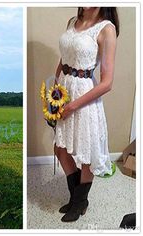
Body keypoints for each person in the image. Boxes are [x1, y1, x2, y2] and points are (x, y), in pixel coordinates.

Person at [53, 7, 119, 222]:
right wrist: (55, 92)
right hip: (64, 90)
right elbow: (63, 60)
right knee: (60, 148)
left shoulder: (106, 29)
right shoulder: (73, 20)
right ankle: (76, 198)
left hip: (84, 95)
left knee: (86, 152)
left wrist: (73, 106)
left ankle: (80, 202)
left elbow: (107, 82)